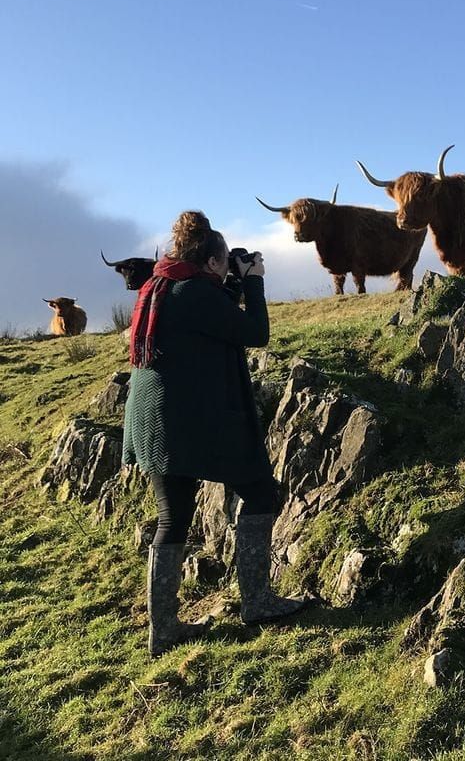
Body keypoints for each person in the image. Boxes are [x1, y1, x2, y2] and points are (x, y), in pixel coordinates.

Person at [122, 210, 309, 656]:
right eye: (225, 261)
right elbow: (255, 333)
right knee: (261, 494)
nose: (229, 267)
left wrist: (234, 284)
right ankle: (258, 602)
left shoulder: (162, 285)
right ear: (209, 263)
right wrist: (256, 281)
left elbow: (211, 321)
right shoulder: (196, 294)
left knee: (173, 517)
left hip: (155, 422)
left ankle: (163, 630)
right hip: (193, 422)